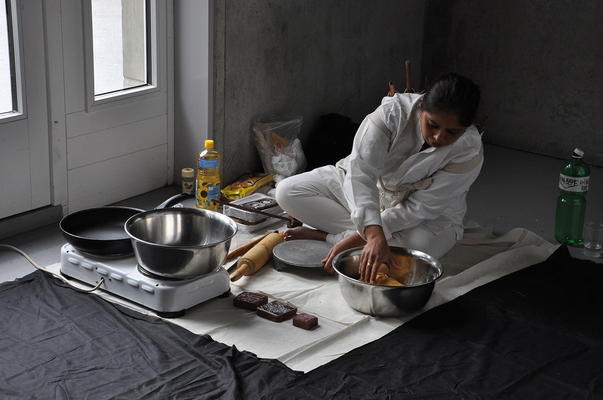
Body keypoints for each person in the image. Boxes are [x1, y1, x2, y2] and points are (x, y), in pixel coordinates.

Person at [275, 73, 483, 284]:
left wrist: (367, 234)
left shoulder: (469, 151)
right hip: (370, 190)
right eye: (432, 125)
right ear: (421, 107)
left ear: (466, 128)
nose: (439, 137)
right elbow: (361, 174)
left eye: (452, 132)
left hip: (425, 218)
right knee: (287, 192)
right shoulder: (392, 113)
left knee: (417, 248)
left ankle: (329, 238)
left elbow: (421, 207)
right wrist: (374, 234)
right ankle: (364, 240)